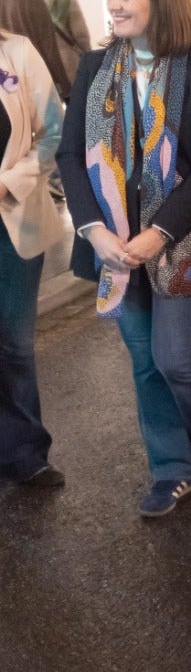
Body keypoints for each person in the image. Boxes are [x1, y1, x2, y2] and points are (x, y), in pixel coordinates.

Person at [57, 0, 191, 517]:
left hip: (177, 240)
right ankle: (172, 469)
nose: (112, 5)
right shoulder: (94, 68)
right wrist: (93, 230)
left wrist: (160, 232)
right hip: (110, 243)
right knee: (144, 361)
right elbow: (71, 154)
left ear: (159, 1)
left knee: (175, 358)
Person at [0, 26, 68, 488]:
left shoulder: (16, 51)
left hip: (12, 217)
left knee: (15, 344)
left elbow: (53, 130)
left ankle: (26, 451)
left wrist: (10, 183)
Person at [0, 0, 73, 101]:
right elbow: (49, 48)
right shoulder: (32, 1)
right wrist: (65, 88)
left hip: (6, 87)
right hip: (35, 81)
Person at [23, 0, 91, 81]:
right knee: (76, 100)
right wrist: (88, 57)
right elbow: (80, 33)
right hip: (66, 63)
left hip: (35, 65)